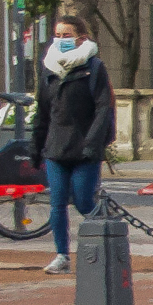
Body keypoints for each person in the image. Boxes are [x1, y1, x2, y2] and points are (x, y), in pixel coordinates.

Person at [31, 15, 115, 276]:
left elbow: (104, 108)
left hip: (84, 149)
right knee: (56, 203)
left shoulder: (94, 68)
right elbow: (43, 112)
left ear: (82, 38)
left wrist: (93, 142)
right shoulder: (48, 70)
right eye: (58, 35)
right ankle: (61, 255)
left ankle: (107, 240)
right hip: (56, 147)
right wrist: (36, 147)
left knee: (82, 201)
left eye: (67, 35)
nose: (61, 40)